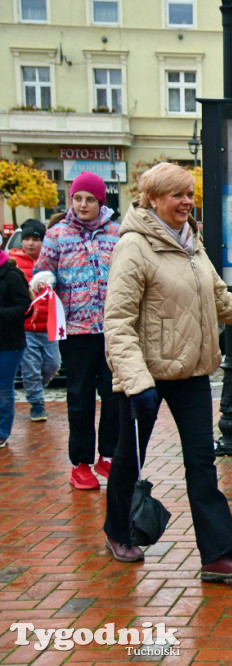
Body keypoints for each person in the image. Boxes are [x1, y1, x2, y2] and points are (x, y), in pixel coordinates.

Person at [103, 162, 232, 581]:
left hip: (193, 373)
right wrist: (137, 382)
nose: (186, 202)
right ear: (153, 199)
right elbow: (118, 321)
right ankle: (118, 530)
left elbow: (223, 302)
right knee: (130, 458)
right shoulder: (134, 246)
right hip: (145, 377)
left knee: (202, 462)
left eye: (189, 194)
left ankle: (217, 555)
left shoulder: (191, 244)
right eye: (177, 195)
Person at [35, 171, 120, 490]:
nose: (83, 204)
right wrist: (44, 282)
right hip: (76, 328)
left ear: (101, 202)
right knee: (80, 397)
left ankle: (108, 457)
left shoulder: (117, 232)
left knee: (114, 395)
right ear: (71, 200)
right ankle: (80, 463)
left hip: (112, 327)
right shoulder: (57, 234)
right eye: (77, 198)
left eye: (89, 199)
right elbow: (43, 268)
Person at [10, 219, 61, 422]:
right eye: (27, 239)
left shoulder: (51, 261)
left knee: (53, 365)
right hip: (26, 327)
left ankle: (38, 387)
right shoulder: (14, 263)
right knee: (30, 367)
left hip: (50, 326)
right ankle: (37, 404)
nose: (30, 243)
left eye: (36, 239)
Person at [0, 248, 31, 448]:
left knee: (3, 388)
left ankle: (2, 432)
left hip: (8, 343)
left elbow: (26, 308)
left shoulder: (11, 276)